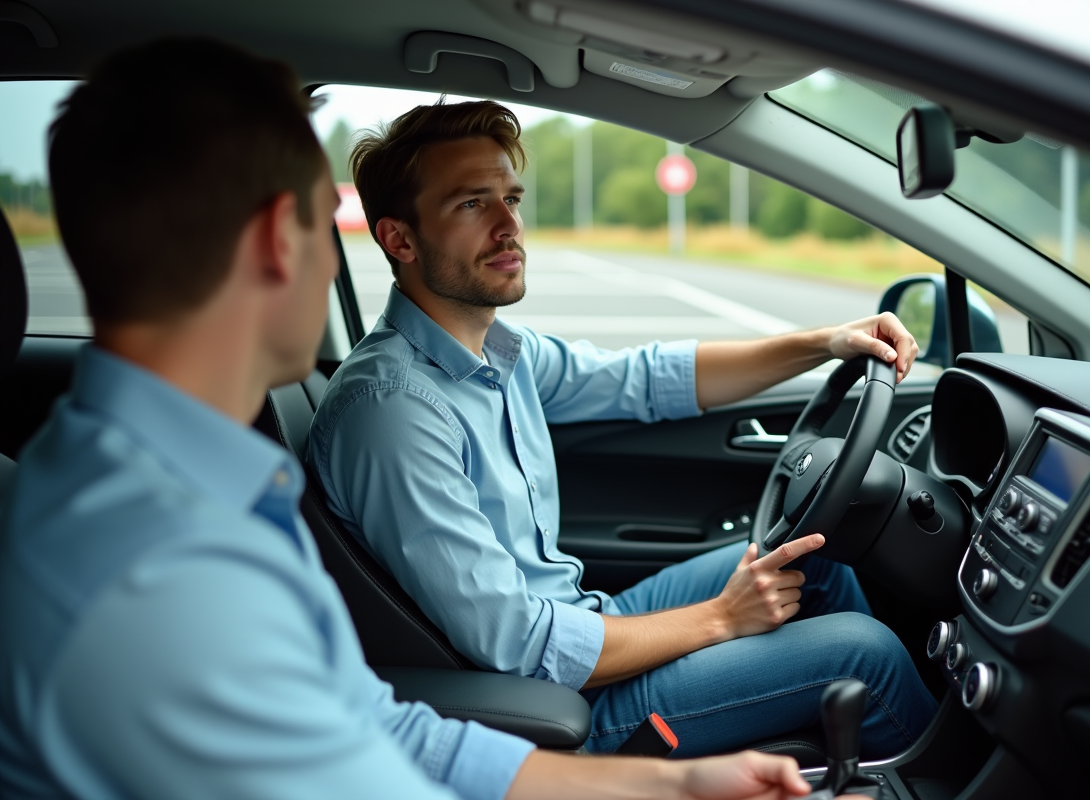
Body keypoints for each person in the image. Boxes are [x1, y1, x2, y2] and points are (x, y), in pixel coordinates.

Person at [0, 38, 830, 800]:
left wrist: (677, 789)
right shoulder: (158, 575)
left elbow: (390, 730)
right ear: (276, 246)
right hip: (544, 687)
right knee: (863, 657)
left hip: (549, 663)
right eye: (320, 222)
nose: (334, 256)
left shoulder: (194, 490)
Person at [308, 100, 939, 759]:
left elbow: (647, 379)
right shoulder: (392, 410)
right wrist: (722, 619)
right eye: (472, 204)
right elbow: (521, 648)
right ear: (399, 239)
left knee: (817, 561)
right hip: (549, 709)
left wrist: (827, 342)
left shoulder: (498, 353)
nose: (508, 227)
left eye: (511, 199)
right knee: (865, 658)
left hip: (585, 622)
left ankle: (862, 755)